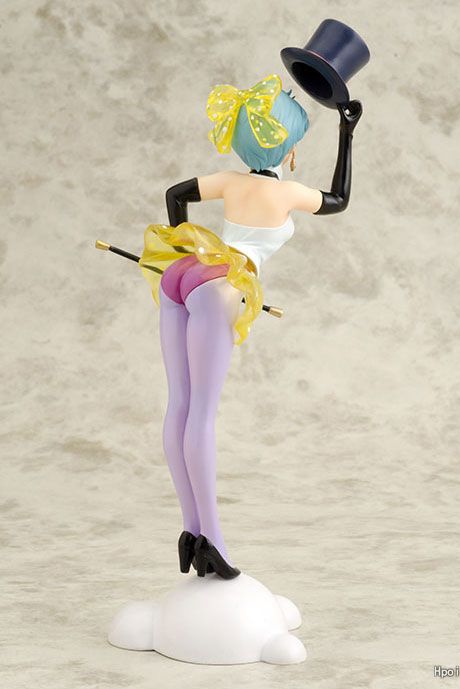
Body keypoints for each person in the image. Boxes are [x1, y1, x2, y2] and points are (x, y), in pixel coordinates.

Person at [147, 73, 363, 579]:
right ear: (290, 149)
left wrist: (182, 243)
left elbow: (175, 194)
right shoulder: (288, 192)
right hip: (222, 284)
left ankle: (190, 532)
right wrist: (347, 133)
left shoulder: (228, 179)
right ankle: (213, 543)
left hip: (182, 272)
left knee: (179, 404)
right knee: (202, 415)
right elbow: (339, 199)